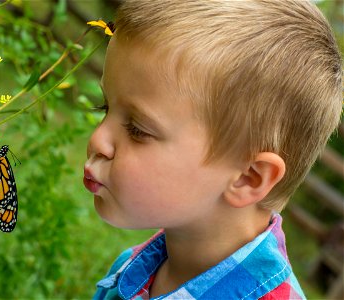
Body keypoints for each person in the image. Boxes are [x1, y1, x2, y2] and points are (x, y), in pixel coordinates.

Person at [82, 0, 342, 299]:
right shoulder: (134, 270)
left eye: (138, 130)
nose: (98, 139)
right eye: (105, 106)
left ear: (248, 177)